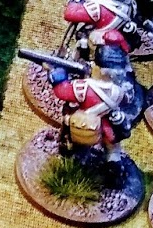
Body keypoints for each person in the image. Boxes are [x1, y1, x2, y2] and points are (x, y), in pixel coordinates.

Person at [46, 36, 144, 167]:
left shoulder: (83, 87)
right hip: (104, 125)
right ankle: (113, 161)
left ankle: (69, 150)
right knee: (112, 143)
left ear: (98, 67)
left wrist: (56, 73)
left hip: (84, 123)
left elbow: (61, 91)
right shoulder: (119, 91)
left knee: (68, 121)